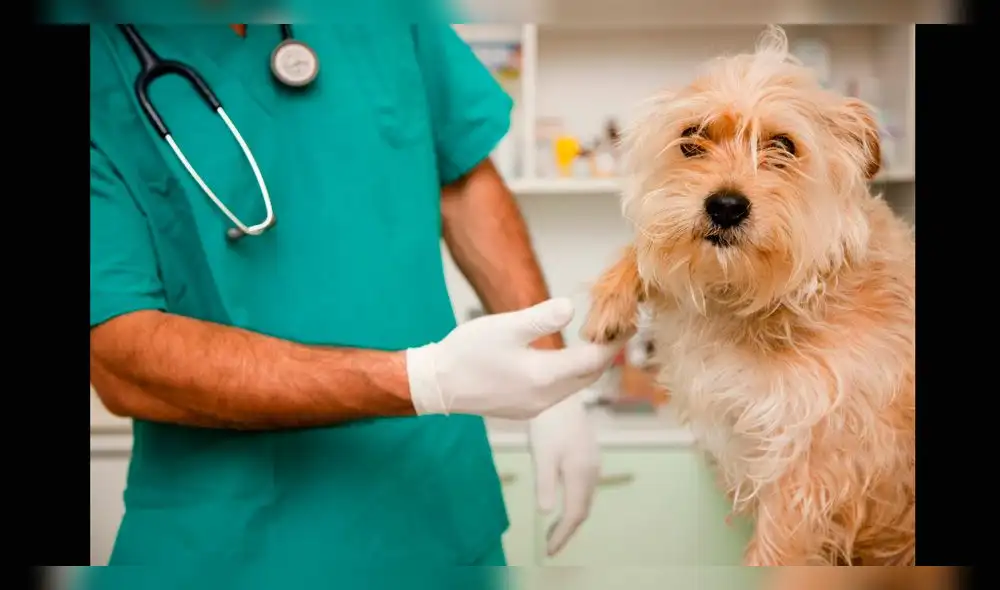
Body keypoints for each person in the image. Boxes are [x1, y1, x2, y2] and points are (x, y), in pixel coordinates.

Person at [88, 21, 622, 582]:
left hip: (437, 516)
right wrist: (424, 379)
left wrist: (550, 374)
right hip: (229, 543)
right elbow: (123, 359)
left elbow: (461, 176)